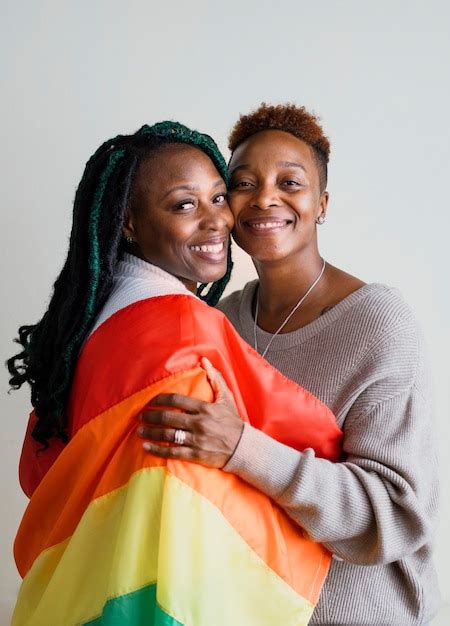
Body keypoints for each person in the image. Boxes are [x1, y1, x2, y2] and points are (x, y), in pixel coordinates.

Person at [8, 120, 343, 626]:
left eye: (217, 197)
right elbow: (317, 438)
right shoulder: (181, 323)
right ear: (129, 223)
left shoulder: (92, 323)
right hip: (162, 597)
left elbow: (39, 468)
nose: (218, 220)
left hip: (87, 596)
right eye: (184, 205)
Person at [140, 105, 440, 625]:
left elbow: (394, 515)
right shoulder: (223, 320)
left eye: (290, 182)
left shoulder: (377, 323)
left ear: (321, 203)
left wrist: (242, 448)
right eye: (244, 182)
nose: (264, 197)